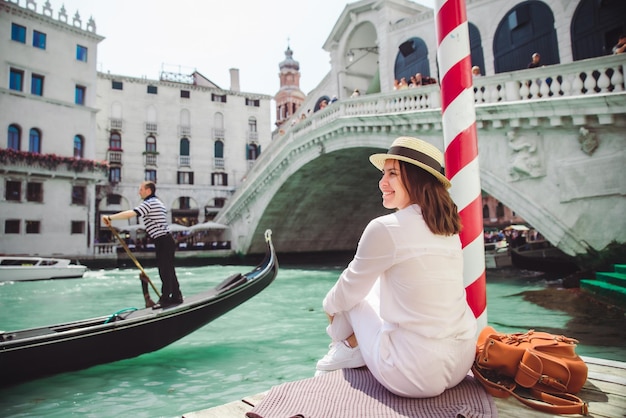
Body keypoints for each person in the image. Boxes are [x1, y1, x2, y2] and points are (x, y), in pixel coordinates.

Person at [314, 136, 477, 398]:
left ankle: (345, 346)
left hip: (412, 374)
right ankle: (350, 345)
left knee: (351, 295)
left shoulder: (384, 228)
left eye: (392, 174)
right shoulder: (449, 229)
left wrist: (329, 313)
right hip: (461, 362)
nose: (382, 182)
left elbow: (347, 293)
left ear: (416, 179)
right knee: (376, 284)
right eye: (383, 173)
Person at [103, 181, 183, 309]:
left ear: (148, 191)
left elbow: (131, 214)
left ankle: (165, 299)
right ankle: (176, 296)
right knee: (168, 270)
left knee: (165, 271)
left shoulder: (149, 203)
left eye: (141, 189)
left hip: (163, 240)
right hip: (164, 240)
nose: (139, 192)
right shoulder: (157, 202)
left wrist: (110, 218)